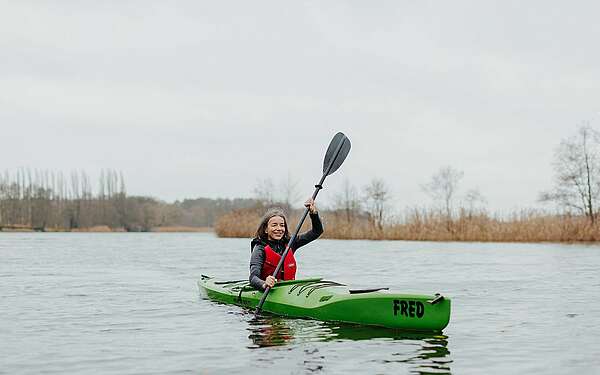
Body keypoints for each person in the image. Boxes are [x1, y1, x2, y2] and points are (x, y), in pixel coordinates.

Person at [249, 198, 323, 291]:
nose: (279, 228)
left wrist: (313, 213)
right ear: (266, 229)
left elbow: (317, 231)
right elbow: (253, 278)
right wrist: (264, 283)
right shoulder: (259, 248)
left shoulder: (291, 243)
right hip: (268, 290)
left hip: (289, 290)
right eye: (274, 225)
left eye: (282, 225)